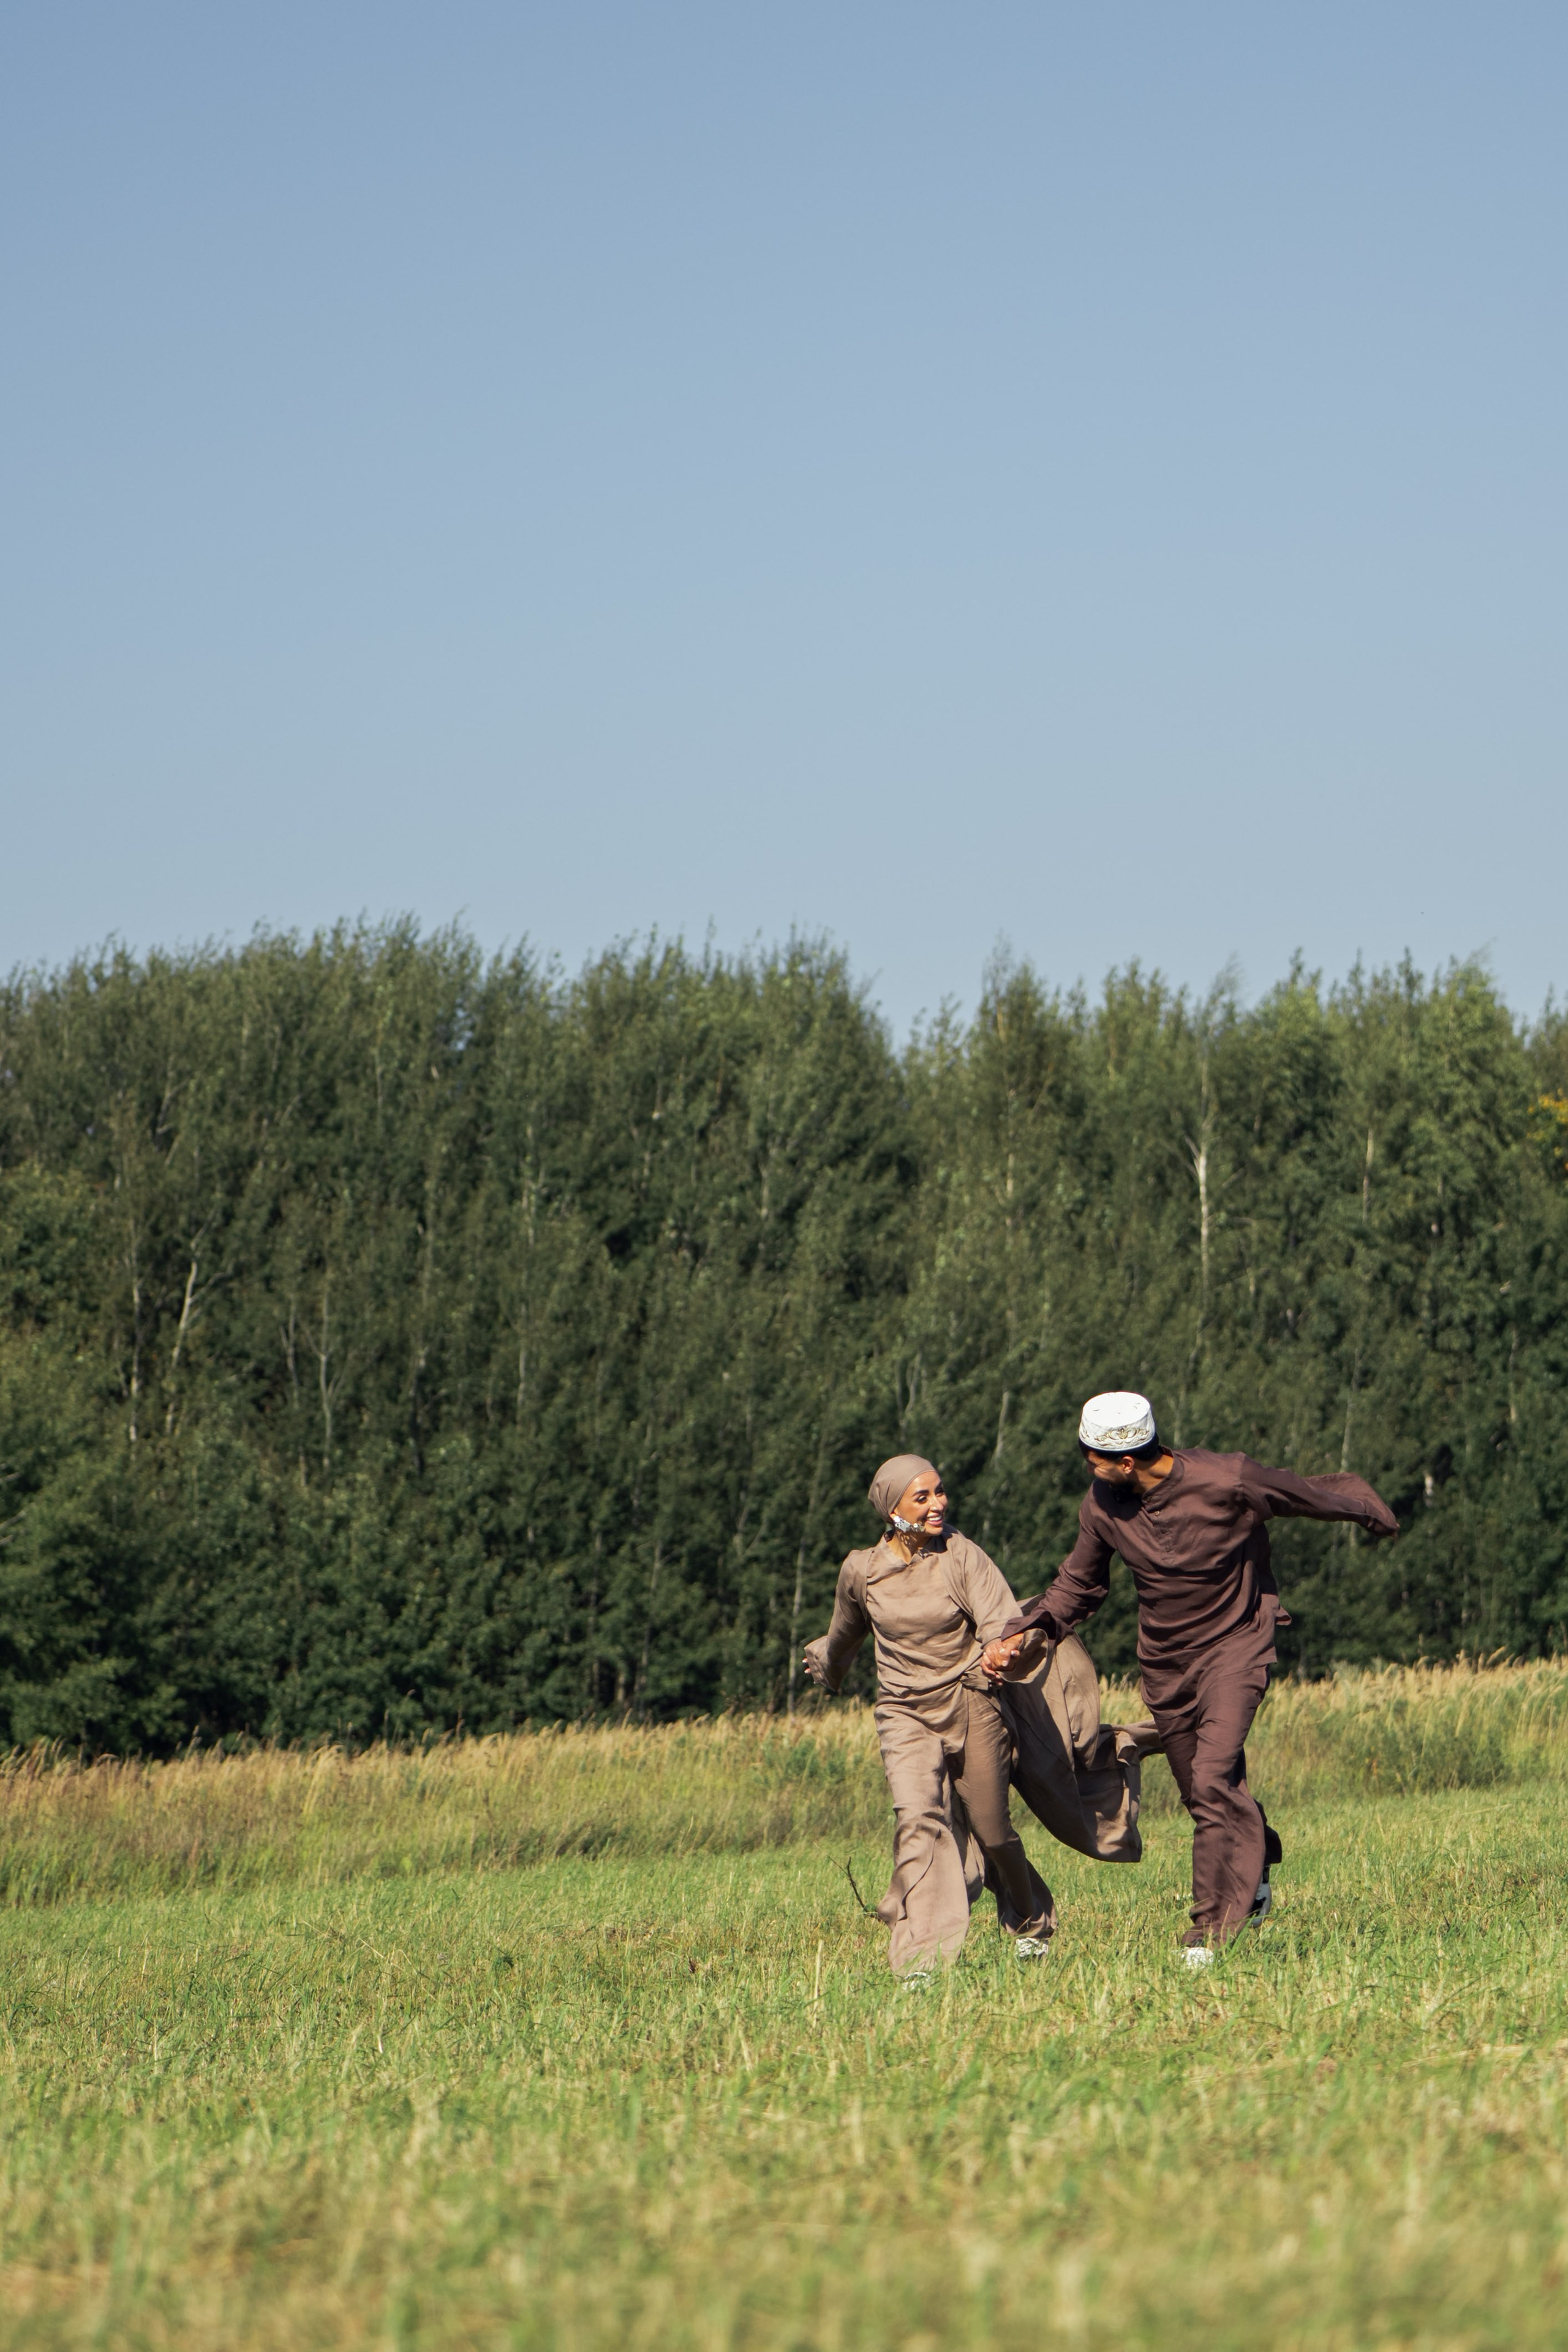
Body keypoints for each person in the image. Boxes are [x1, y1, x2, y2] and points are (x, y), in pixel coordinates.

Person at [982, 1392, 1398, 1967]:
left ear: (1127, 1461)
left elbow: (1305, 1493)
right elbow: (1080, 1584)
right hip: (1166, 1666)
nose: (1088, 1469)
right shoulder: (1103, 1504)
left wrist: (1370, 1513)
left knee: (1211, 1781)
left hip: (1236, 1649)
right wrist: (1025, 1631)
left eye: (1093, 1460)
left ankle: (1210, 1929)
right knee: (1204, 1793)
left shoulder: (1227, 1479)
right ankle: (1254, 1861)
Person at [803, 1452, 1147, 1978]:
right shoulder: (862, 1571)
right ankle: (921, 1957)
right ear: (891, 1509)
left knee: (993, 1833)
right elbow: (845, 1632)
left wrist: (1001, 1649)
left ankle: (1030, 1921)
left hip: (971, 1705)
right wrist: (827, 1665)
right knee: (919, 1820)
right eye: (922, 1497)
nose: (938, 1504)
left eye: (940, 1491)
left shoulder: (961, 1556)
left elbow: (998, 1619)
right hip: (904, 1713)